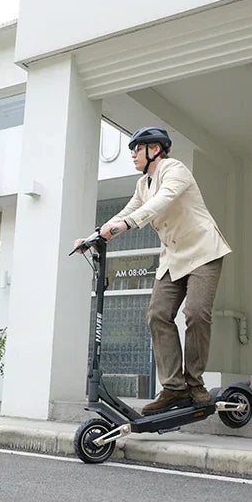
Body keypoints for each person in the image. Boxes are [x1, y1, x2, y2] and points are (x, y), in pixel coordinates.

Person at [74, 127, 232, 415]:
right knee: (157, 314)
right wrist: (92, 237)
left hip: (203, 251)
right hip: (173, 257)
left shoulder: (174, 169)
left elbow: (163, 199)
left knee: (196, 313)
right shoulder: (142, 184)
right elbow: (125, 212)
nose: (133, 154)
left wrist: (127, 225)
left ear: (155, 149)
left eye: (137, 148)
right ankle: (174, 387)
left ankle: (194, 383)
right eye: (132, 150)